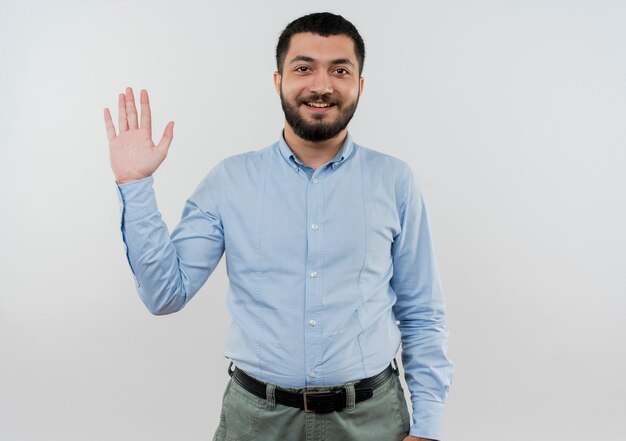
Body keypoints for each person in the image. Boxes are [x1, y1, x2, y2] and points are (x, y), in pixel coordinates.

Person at [103, 12, 453, 441]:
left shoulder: (396, 182)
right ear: (278, 81)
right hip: (256, 423)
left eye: (340, 71)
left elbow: (421, 313)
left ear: (360, 85)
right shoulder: (229, 181)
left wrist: (429, 425)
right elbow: (163, 295)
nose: (321, 86)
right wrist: (135, 185)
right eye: (303, 68)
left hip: (372, 422)